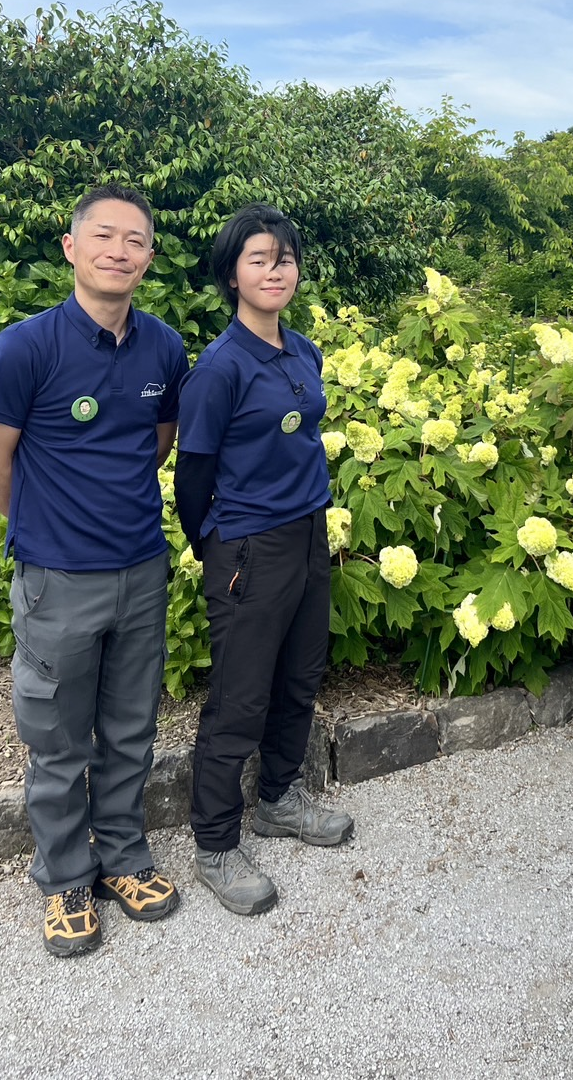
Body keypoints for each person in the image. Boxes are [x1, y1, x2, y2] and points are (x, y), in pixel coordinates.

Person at [0, 184, 190, 958]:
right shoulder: (24, 348)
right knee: (58, 740)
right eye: (103, 235)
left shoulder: (164, 347)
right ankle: (65, 876)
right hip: (56, 580)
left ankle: (123, 858)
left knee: (130, 729)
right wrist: (50, 531)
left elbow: (158, 443)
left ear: (149, 257)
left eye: (135, 240)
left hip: (140, 571)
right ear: (72, 247)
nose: (119, 250)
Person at [174, 203, 353, 917]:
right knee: (240, 698)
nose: (275, 269)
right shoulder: (219, 368)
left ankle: (279, 798)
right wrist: (216, 548)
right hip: (249, 546)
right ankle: (216, 841)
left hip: (309, 535)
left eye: (284, 257)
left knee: (300, 677)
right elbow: (192, 479)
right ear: (232, 274)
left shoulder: (301, 351)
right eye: (258, 258)